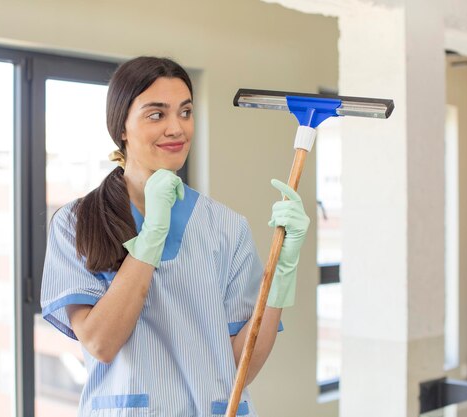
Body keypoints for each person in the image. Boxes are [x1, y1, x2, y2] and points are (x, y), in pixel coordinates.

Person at [40, 56, 309, 417]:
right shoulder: (77, 222)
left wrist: (280, 278)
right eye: (157, 114)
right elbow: (101, 343)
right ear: (121, 127)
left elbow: (239, 367)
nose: (176, 128)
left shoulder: (226, 227)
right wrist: (152, 234)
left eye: (185, 112)